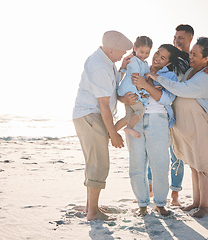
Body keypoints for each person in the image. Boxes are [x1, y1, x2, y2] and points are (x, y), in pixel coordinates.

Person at [144, 37, 208, 218]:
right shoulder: (191, 71)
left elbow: (181, 89)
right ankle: (197, 203)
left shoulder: (207, 76)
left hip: (206, 127)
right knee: (196, 167)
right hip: (191, 129)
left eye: (195, 54)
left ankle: (204, 207)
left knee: (206, 167)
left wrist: (156, 78)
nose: (190, 56)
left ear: (206, 59)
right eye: (191, 52)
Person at [120, 44, 187, 217]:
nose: (157, 58)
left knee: (159, 163)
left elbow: (166, 98)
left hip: (158, 120)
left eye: (163, 57)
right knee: (137, 164)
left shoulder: (169, 76)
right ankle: (142, 203)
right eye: (157, 53)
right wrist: (123, 98)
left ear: (168, 63)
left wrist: (145, 84)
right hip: (136, 119)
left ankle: (160, 203)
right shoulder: (139, 66)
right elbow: (122, 89)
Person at [72, 30, 133, 221]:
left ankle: (92, 208)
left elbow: (112, 88)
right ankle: (93, 212)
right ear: (111, 48)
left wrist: (122, 68)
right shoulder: (99, 65)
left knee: (95, 162)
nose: (123, 54)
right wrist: (113, 133)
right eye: (121, 51)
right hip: (91, 115)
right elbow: (104, 105)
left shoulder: (107, 61)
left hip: (92, 115)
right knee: (99, 163)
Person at [115, 36, 154, 138]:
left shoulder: (144, 63)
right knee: (140, 110)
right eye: (141, 52)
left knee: (128, 116)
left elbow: (145, 77)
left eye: (147, 53)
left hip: (130, 89)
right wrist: (141, 91)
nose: (144, 55)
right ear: (135, 48)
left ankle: (111, 133)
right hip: (130, 89)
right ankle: (129, 127)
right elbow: (135, 77)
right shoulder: (134, 60)